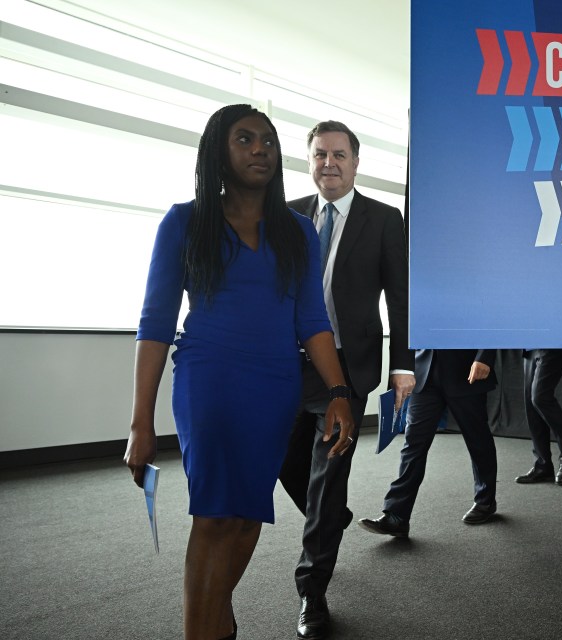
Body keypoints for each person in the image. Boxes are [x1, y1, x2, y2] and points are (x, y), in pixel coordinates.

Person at [123, 104, 354, 640]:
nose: (259, 150)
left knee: (249, 515)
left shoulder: (298, 231)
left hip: (276, 389)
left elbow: (312, 320)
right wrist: (140, 421)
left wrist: (339, 390)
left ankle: (214, 624)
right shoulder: (185, 222)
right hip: (210, 382)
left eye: (268, 141)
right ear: (218, 153)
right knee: (215, 516)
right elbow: (154, 324)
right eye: (244, 139)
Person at [278, 120, 415, 639]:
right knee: (288, 465)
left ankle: (312, 593)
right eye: (319, 155)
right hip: (287, 364)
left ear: (356, 162)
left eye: (338, 154)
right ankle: (330, 514)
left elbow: (400, 298)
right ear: (309, 160)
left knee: (328, 474)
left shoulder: (383, 219)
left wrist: (402, 365)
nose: (328, 163)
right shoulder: (287, 214)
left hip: (348, 367)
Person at [357, 349, 499, 537]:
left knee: (477, 439)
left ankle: (485, 501)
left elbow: (489, 320)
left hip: (466, 369)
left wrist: (484, 358)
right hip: (424, 372)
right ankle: (397, 515)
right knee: (413, 444)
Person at [515, 349, 562, 485]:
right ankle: (542, 466)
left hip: (553, 343)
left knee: (540, 397)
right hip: (530, 344)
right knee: (531, 404)